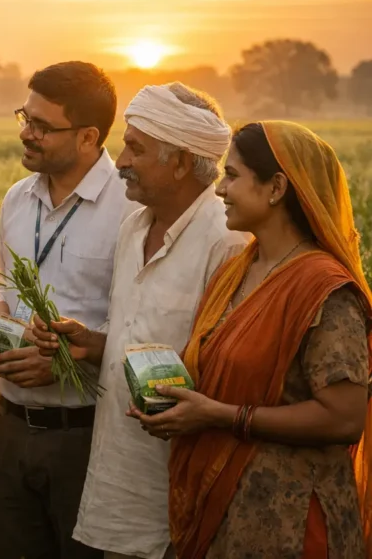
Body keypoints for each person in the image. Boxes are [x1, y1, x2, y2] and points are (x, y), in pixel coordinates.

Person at [130, 121, 372, 558]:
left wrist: (220, 415)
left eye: (233, 175)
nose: (221, 190)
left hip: (292, 523)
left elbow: (344, 418)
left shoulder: (324, 289)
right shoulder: (239, 270)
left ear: (276, 187)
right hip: (225, 516)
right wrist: (173, 406)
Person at [32, 83, 248, 559]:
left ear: (181, 161)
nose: (121, 160)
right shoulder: (133, 228)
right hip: (119, 470)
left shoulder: (227, 243)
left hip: (184, 477)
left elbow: (233, 369)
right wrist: (92, 343)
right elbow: (140, 338)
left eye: (137, 148)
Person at [0, 61, 133, 559]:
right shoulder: (19, 198)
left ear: (88, 137)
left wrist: (65, 359)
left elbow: (145, 322)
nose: (26, 132)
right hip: (9, 424)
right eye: (25, 116)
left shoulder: (132, 208)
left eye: (42, 126)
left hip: (85, 435)